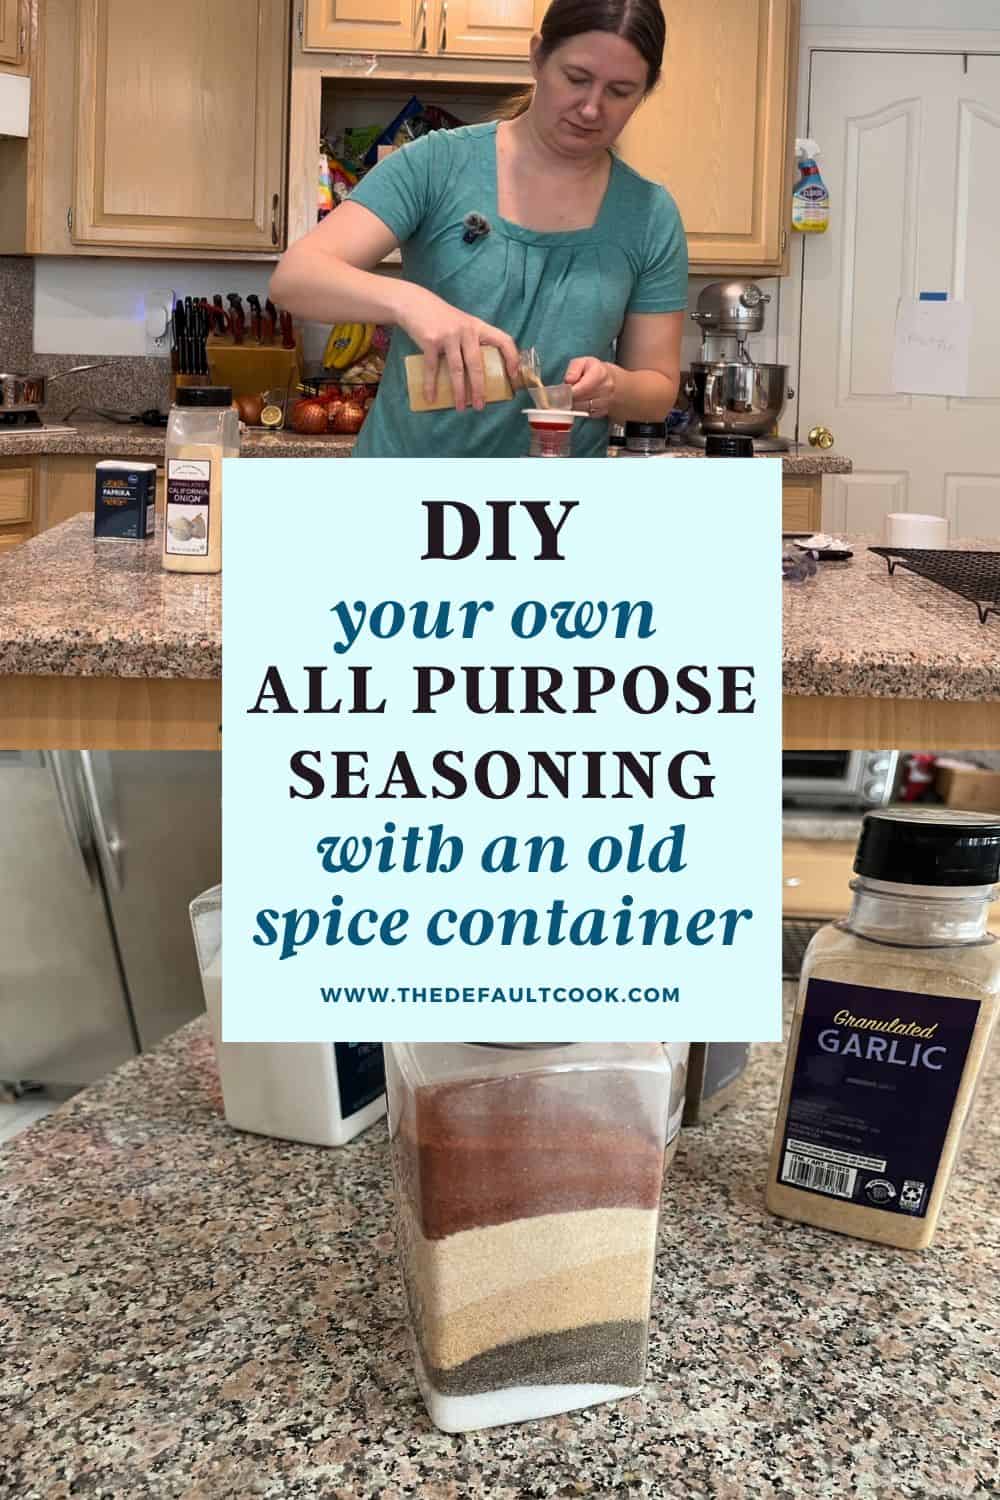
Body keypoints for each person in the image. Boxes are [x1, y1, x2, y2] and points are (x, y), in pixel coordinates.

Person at [269, 0, 687, 457]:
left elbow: (658, 386)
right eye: (577, 79)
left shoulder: (649, 214)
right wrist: (412, 303)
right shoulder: (437, 164)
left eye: (620, 91)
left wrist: (616, 386)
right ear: (537, 56)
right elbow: (296, 279)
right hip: (407, 495)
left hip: (550, 510)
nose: (591, 108)